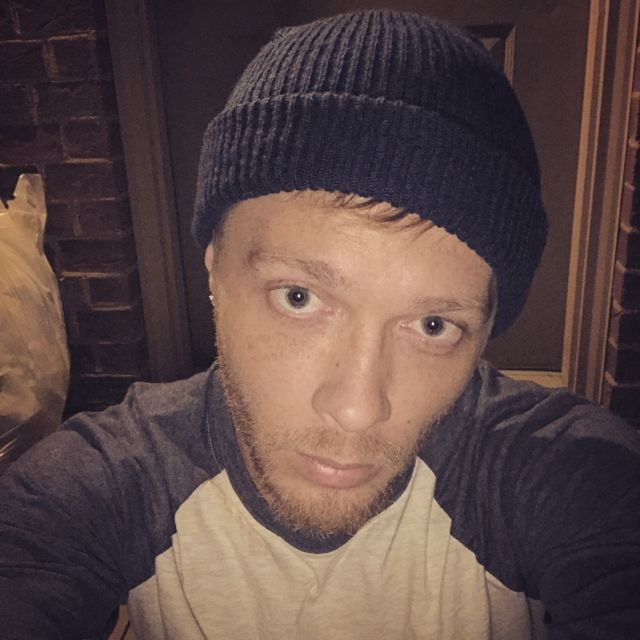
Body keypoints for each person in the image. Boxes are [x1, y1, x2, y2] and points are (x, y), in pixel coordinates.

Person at [1, 10, 639, 640]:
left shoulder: (561, 473)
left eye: (433, 325)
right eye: (300, 297)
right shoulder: (99, 485)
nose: (357, 409)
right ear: (215, 267)